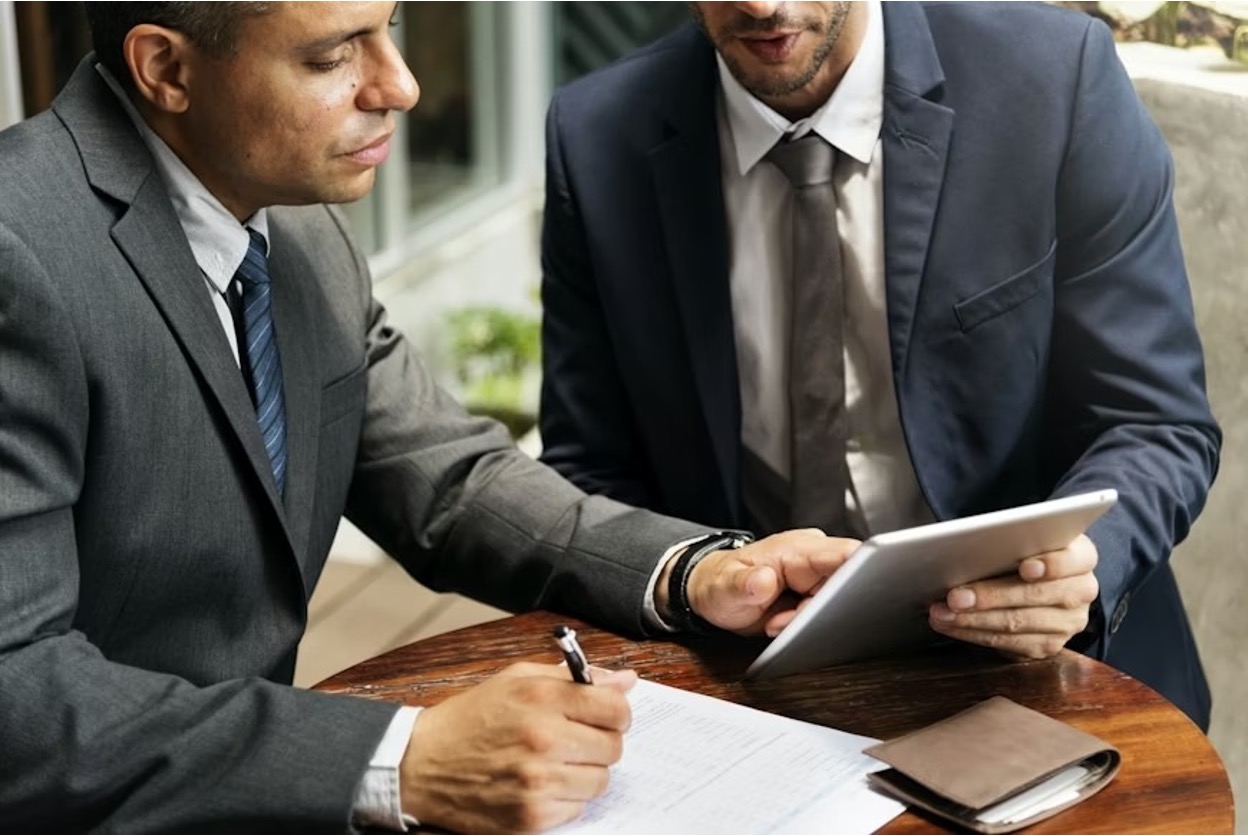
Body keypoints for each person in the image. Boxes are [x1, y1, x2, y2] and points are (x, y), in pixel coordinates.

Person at [0, 3, 859, 831]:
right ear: (166, 68)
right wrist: (401, 758)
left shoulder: (293, 224)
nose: (402, 86)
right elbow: (16, 691)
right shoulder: (18, 255)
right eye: (331, 57)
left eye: (391, 30)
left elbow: (449, 481)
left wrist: (694, 572)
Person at [538, 1, 1221, 729]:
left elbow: (1155, 421)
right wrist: (693, 583)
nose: (762, 6)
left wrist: (1080, 563)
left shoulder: (1054, 77)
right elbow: (589, 470)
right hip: (751, 684)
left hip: (1047, 670)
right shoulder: (596, 133)